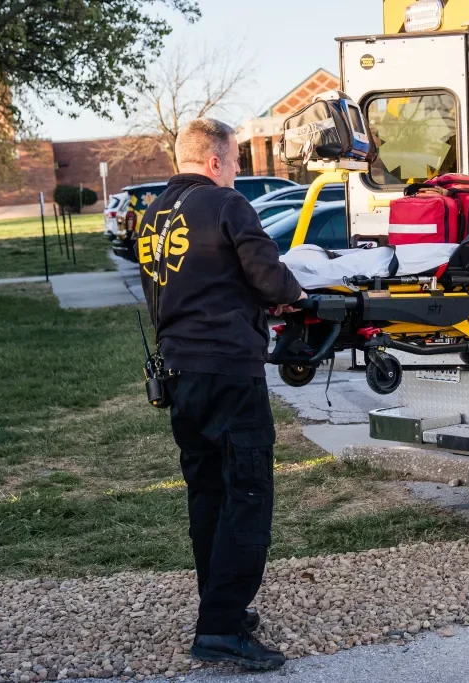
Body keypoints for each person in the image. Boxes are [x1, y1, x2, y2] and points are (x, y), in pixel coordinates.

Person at [138, 117, 306, 671]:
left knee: (207, 493)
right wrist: (291, 295)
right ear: (214, 161)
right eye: (235, 162)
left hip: (181, 373)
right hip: (230, 372)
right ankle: (220, 629)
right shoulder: (226, 205)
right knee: (248, 492)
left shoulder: (154, 215)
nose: (236, 172)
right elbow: (271, 278)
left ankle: (220, 606)